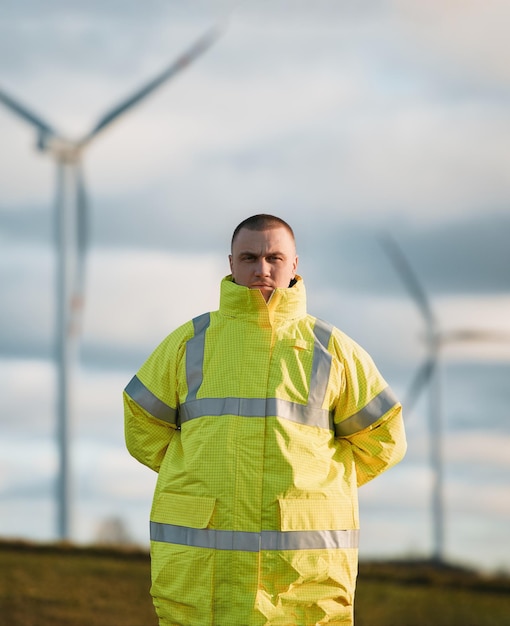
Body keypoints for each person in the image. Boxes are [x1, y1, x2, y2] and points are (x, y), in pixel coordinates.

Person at [123, 214, 406, 626]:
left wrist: (321, 482)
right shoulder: (189, 342)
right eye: (249, 257)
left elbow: (384, 438)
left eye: (274, 257)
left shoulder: (331, 349)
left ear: (294, 265)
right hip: (202, 570)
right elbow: (140, 421)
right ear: (231, 264)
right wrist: (193, 470)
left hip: (303, 572)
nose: (262, 269)